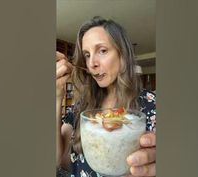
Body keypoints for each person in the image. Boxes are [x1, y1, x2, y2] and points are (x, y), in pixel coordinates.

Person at [56, 16, 156, 177]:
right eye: (87, 55)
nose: (92, 63)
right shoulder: (81, 106)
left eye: (102, 51)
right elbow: (58, 159)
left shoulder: (153, 106)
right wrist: (56, 96)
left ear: (122, 55)